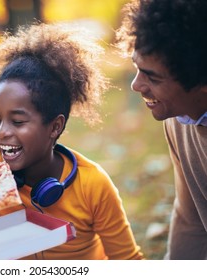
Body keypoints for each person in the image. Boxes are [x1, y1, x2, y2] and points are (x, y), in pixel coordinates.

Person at [0, 22, 144, 260]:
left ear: (55, 126)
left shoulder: (93, 184)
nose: (2, 133)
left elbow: (128, 261)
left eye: (18, 122)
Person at [116, 0, 207, 259]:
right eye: (137, 69)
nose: (136, 85)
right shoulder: (179, 120)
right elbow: (192, 220)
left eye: (152, 77)